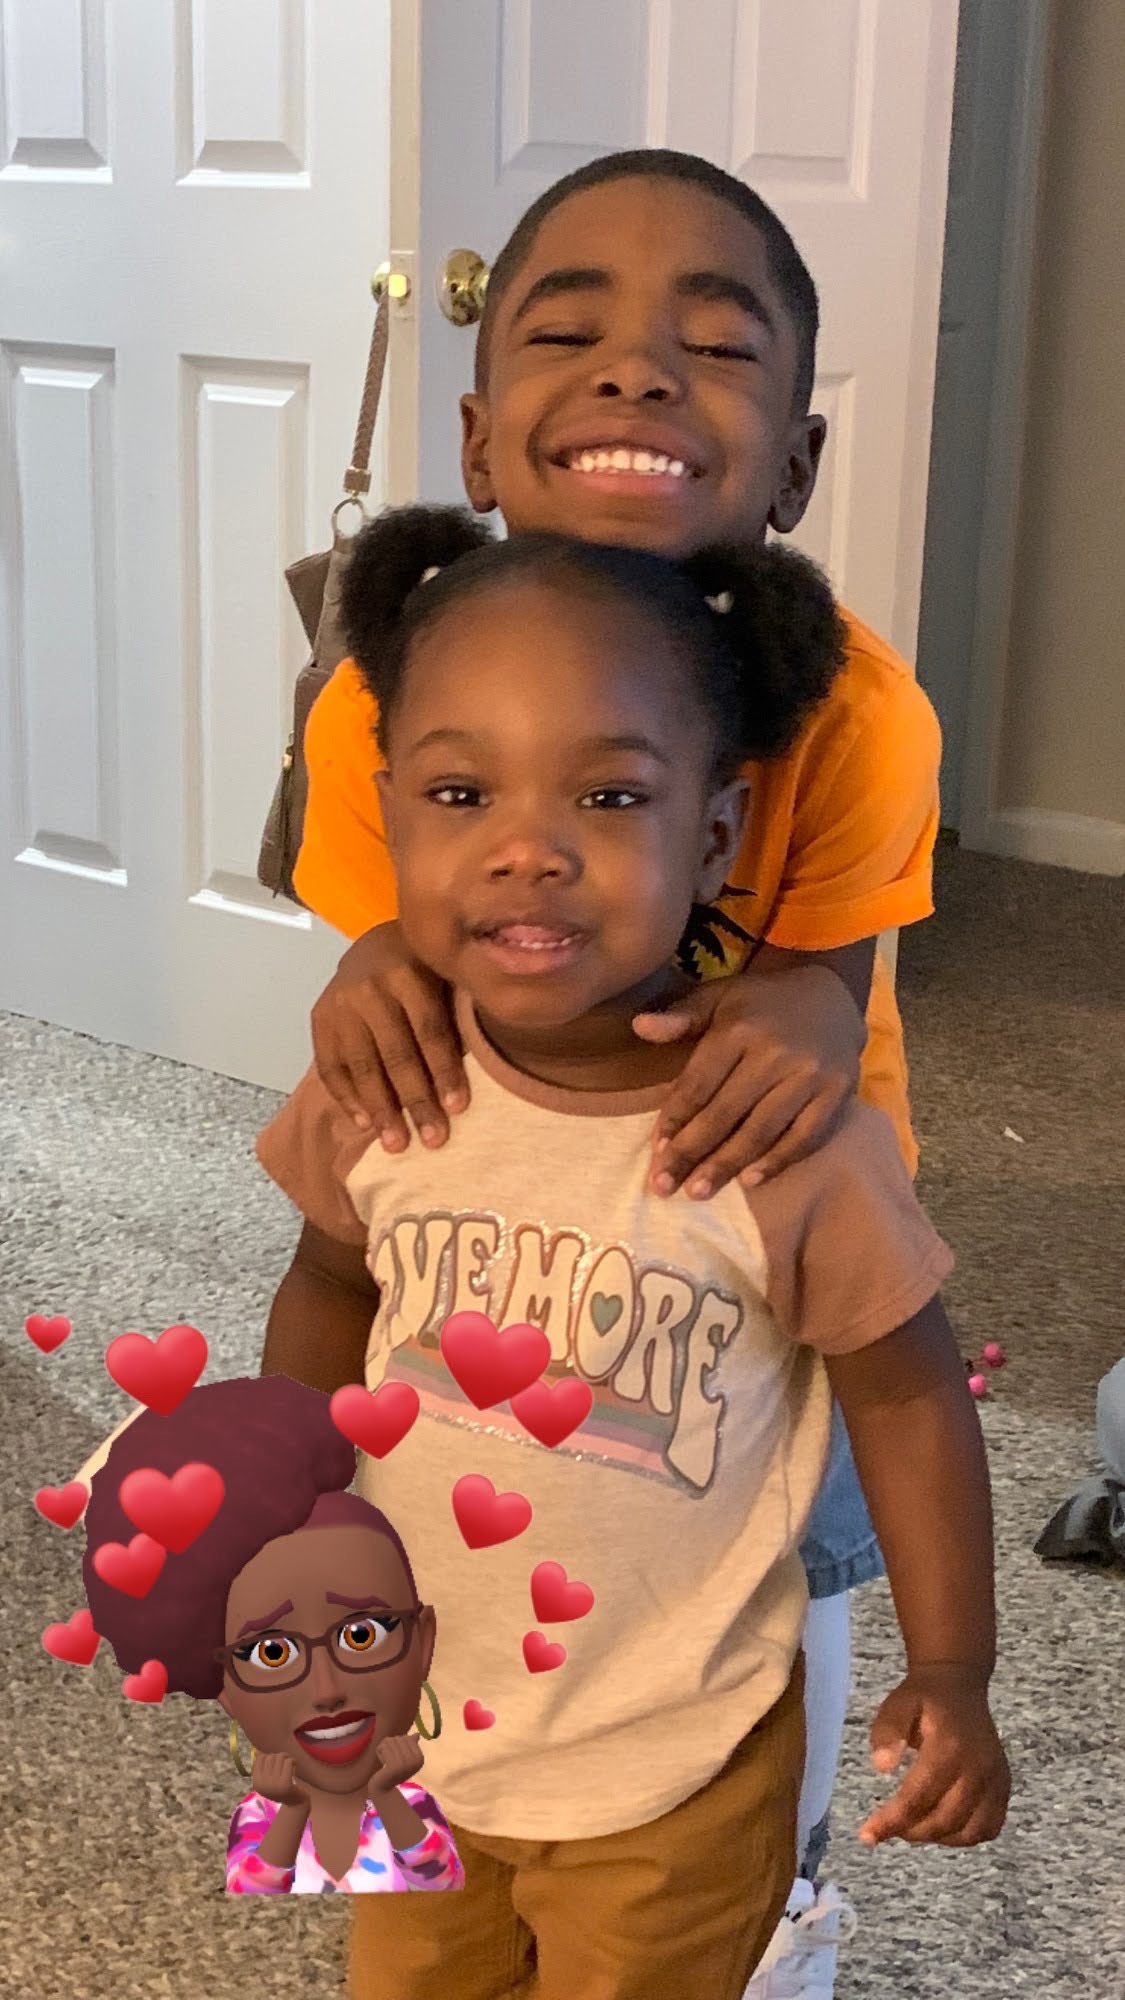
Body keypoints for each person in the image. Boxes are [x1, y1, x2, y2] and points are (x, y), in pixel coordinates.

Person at [289, 147, 943, 1986]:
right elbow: (394, 937)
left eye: (712, 348)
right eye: (567, 331)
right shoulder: (373, 695)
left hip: (758, 1236)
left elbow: (826, 980)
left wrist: (808, 1005)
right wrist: (367, 966)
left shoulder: (860, 712)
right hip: (511, 1201)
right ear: (481, 439)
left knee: (778, 1580)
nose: (639, 370)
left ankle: (772, 1908)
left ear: (796, 463)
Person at [76, 1373, 464, 1896]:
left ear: (424, 1641)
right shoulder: (261, 1811)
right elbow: (258, 1882)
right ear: (224, 1689)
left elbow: (436, 1873)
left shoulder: (415, 1798)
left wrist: (388, 1795)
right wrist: (294, 1809)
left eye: (361, 1635)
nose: (327, 1689)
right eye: (273, 1652)